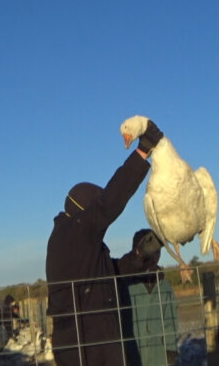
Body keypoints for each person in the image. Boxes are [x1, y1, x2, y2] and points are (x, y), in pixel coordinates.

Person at [45, 119, 164, 366]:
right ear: (84, 209)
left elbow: (109, 273)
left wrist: (139, 256)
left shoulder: (75, 242)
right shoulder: (73, 233)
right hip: (87, 344)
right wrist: (142, 152)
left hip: (87, 339)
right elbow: (108, 202)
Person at [118, 229, 179, 366]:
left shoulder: (164, 286)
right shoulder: (126, 284)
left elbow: (170, 321)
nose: (154, 257)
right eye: (149, 252)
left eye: (157, 252)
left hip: (158, 357)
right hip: (132, 355)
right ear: (137, 253)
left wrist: (171, 351)